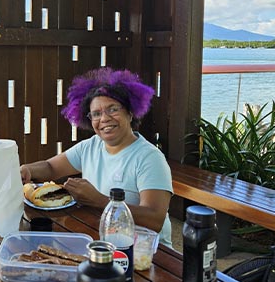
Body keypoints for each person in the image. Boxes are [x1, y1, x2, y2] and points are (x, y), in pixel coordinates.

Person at [20, 68, 173, 246]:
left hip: (147, 252)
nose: (105, 118)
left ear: (130, 113)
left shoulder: (149, 158)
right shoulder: (91, 146)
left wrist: (99, 200)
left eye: (113, 109)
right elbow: (51, 167)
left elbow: (155, 220)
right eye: (96, 114)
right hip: (104, 240)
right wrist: (28, 169)